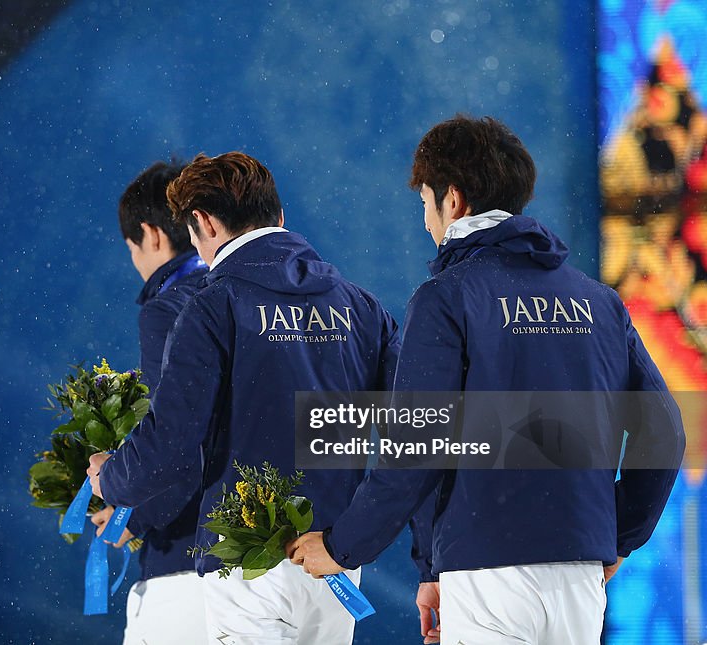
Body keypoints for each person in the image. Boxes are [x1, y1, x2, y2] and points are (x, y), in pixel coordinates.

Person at [289, 115, 686, 644]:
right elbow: (664, 434)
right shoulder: (598, 302)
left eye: (426, 205)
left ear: (452, 200)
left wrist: (342, 547)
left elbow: (417, 449)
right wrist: (618, 534)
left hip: (488, 575)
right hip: (579, 577)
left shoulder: (447, 298)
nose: (427, 223)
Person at [88, 151, 401, 644]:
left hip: (244, 562)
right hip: (330, 561)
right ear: (278, 215)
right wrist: (357, 537)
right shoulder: (360, 305)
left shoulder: (212, 306)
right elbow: (425, 435)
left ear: (203, 223)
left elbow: (173, 443)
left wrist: (112, 478)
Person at [89, 159, 209, 643]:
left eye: (131, 247)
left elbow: (183, 443)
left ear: (150, 234)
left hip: (188, 564)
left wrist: (127, 509)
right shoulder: (248, 298)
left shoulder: (172, 309)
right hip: (284, 555)